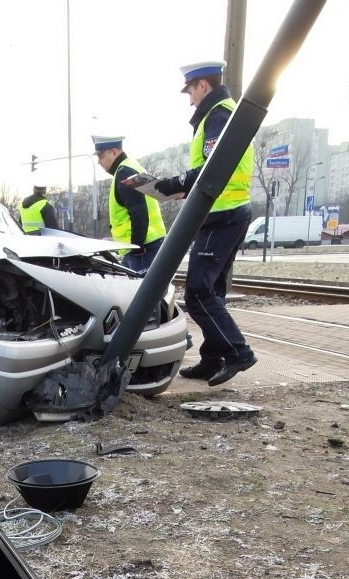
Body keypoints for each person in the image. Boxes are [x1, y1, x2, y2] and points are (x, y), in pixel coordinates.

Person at [151, 60, 256, 386]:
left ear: (202, 86)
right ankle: (213, 358)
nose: (190, 99)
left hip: (222, 214)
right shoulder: (222, 114)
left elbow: (213, 167)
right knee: (213, 292)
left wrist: (171, 184)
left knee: (198, 293)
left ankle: (239, 352)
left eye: (191, 91)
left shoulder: (219, 115)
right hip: (226, 211)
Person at [92, 134, 166, 275]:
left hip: (142, 249)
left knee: (142, 294)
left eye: (101, 156)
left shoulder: (124, 173)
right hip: (147, 244)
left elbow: (139, 212)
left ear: (114, 152)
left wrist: (136, 246)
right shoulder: (132, 166)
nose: (98, 162)